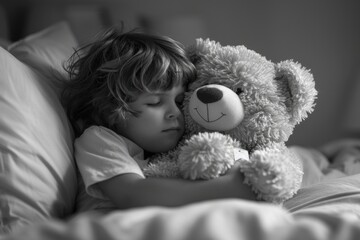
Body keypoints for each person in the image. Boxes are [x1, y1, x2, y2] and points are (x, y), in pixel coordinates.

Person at [61, 26, 256, 211]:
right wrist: (227, 188)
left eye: (180, 101)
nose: (175, 113)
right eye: (154, 102)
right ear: (107, 109)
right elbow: (133, 195)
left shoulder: (162, 146)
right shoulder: (99, 139)